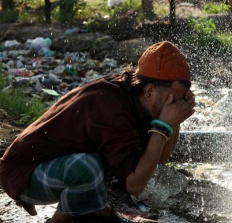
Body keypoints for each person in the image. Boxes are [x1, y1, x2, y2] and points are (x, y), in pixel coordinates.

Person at [0, 41, 196, 223]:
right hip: (24, 174)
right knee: (88, 167)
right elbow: (135, 185)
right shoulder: (111, 107)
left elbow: (158, 159)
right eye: (174, 98)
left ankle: (97, 210)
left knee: (103, 169)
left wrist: (174, 120)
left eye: (181, 100)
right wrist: (163, 126)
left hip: (55, 167)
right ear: (150, 90)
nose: (177, 104)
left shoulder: (139, 99)